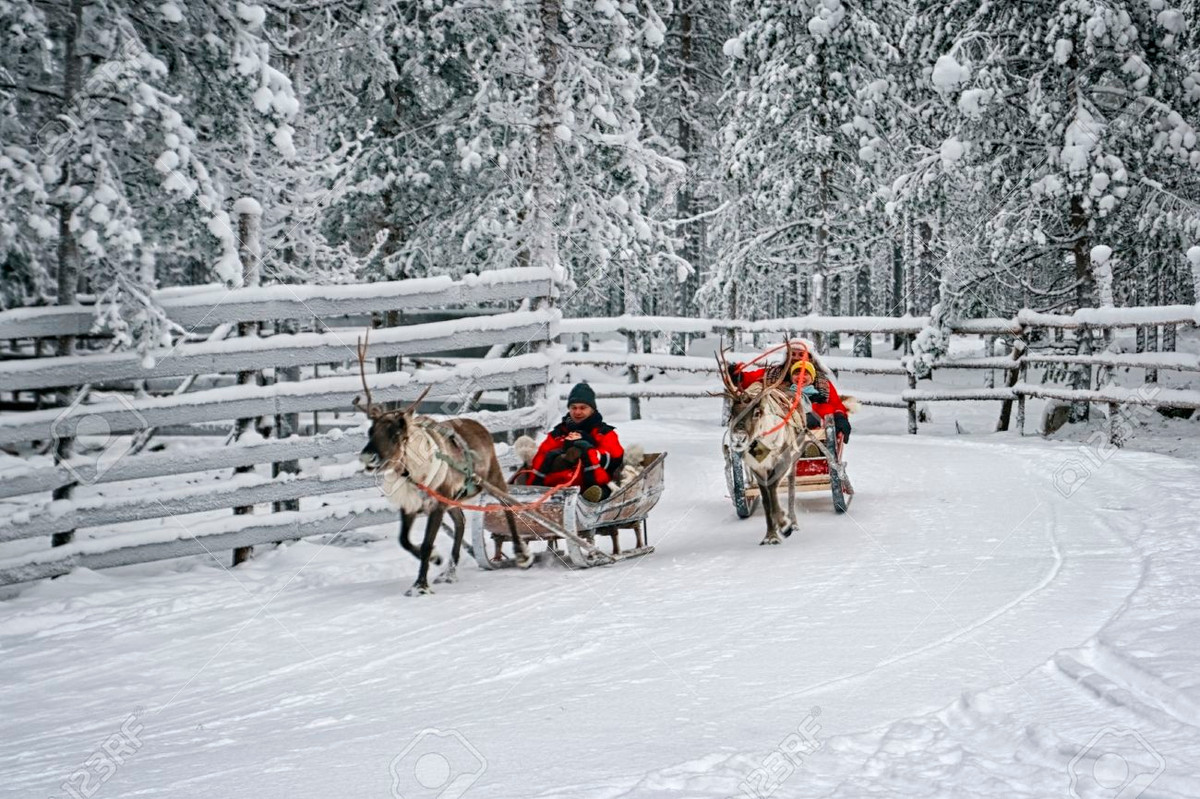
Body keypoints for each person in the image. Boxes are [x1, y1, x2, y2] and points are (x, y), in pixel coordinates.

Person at [728, 340, 852, 444]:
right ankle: (761, 461)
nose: (796, 358)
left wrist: (840, 416)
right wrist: (739, 377)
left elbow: (835, 403)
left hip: (812, 429)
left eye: (801, 354)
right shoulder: (773, 374)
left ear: (810, 357)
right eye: (793, 354)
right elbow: (751, 379)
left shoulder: (822, 383)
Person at [522, 382, 624, 502]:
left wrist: (588, 450)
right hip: (557, 486)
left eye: (583, 408)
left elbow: (615, 458)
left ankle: (591, 497)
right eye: (573, 407)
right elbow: (541, 457)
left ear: (592, 409)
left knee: (602, 487)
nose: (577, 412)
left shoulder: (604, 433)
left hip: (594, 483)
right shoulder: (559, 433)